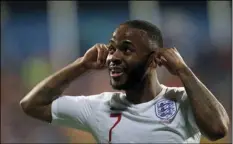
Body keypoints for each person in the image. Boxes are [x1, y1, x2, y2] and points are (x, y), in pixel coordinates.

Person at [20, 20, 229, 143]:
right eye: (112, 49)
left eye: (127, 49)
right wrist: (80, 66)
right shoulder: (100, 107)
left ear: (154, 59)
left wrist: (183, 71)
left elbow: (218, 130)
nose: (113, 57)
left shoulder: (183, 101)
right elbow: (32, 104)